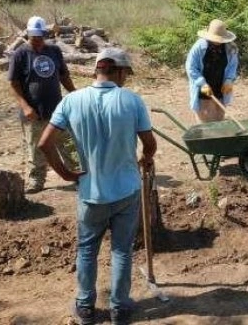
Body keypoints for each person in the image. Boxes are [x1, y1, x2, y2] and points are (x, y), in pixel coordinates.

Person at [37, 48, 157, 324]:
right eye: (126, 73)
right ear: (119, 71)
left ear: (97, 70)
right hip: (126, 191)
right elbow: (149, 144)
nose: (126, 78)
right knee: (121, 250)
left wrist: (66, 173)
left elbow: (45, 143)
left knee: (88, 249)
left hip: (90, 193)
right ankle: (120, 308)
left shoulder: (72, 101)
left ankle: (85, 307)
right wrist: (145, 158)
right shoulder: (132, 101)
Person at [8, 15, 77, 193]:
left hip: (57, 110)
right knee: (35, 149)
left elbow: (63, 76)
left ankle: (78, 175)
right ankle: (36, 181)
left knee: (69, 144)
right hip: (33, 113)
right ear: (28, 35)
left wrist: (75, 95)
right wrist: (25, 107)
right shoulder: (20, 54)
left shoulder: (54, 51)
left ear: (45, 35)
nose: (38, 41)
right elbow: (13, 84)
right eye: (34, 37)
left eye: (40, 37)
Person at [185, 19, 239, 122]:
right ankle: (205, 136)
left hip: (220, 86)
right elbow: (191, 67)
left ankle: (217, 136)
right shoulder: (199, 47)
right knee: (205, 118)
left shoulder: (230, 48)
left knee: (219, 115)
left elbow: (233, 66)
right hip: (203, 87)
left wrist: (229, 80)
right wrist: (202, 83)